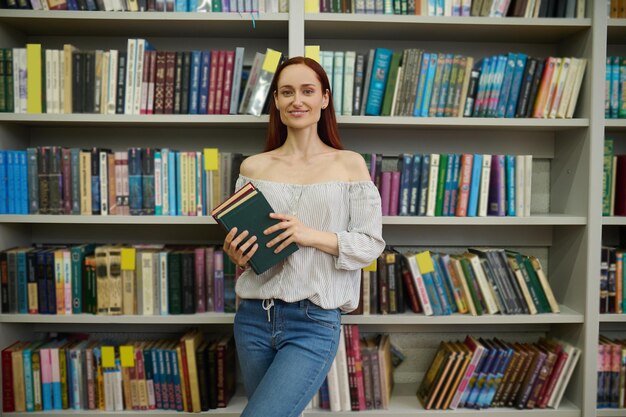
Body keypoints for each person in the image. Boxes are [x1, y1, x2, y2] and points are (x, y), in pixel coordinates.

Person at [223, 56, 385, 417]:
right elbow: (248, 247)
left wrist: (309, 235)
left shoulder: (349, 165)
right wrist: (237, 252)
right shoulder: (253, 167)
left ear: (324, 98)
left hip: (313, 322)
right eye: (287, 92)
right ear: (277, 102)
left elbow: (370, 246)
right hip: (252, 319)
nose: (297, 100)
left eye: (307, 91)